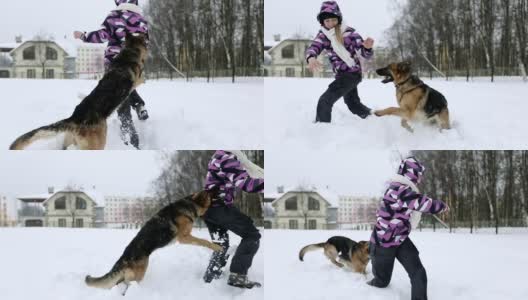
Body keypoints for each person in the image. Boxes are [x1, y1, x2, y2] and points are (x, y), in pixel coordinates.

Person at [368, 157, 449, 300]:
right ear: (412, 174)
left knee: (418, 272)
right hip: (383, 244)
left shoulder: (404, 190)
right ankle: (361, 291)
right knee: (382, 282)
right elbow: (423, 203)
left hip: (401, 239)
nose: (420, 179)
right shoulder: (398, 190)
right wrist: (442, 206)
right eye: (418, 175)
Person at [74, 0, 149, 149]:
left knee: (121, 101)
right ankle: (140, 105)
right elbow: (145, 43)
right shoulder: (141, 20)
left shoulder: (115, 16)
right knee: (128, 87)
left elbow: (102, 35)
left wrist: (83, 36)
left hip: (116, 63)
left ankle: (131, 142)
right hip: (135, 64)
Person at [202, 150, 264, 288]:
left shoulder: (217, 157)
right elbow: (246, 184)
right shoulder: (227, 158)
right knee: (252, 235)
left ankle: (211, 278)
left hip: (208, 208)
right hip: (219, 207)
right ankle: (238, 276)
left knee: (221, 245)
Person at [306, 0, 374, 123]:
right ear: (322, 22)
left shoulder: (350, 33)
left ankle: (322, 130)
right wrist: (311, 57)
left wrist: (367, 48)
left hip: (352, 74)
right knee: (352, 103)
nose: (331, 23)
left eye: (333, 20)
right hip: (342, 75)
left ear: (339, 19)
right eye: (327, 21)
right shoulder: (324, 35)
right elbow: (314, 46)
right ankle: (375, 118)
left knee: (325, 101)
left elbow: (364, 53)